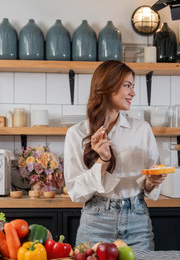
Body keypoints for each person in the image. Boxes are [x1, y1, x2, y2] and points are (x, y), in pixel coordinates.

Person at [64, 60, 166, 250]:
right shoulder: (76, 133)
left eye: (133, 86)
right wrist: (103, 161)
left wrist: (152, 182)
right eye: (127, 86)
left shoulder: (142, 129)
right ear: (107, 86)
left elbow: (149, 180)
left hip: (137, 219)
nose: (133, 93)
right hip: (95, 221)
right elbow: (76, 193)